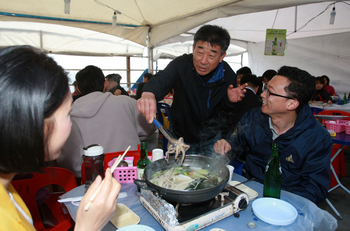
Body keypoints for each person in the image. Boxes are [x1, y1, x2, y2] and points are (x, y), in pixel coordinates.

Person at [0, 45, 121, 230]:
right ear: (31, 121)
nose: (71, 124)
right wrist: (86, 227)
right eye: (68, 113)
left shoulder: (7, 188)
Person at [214, 66, 333, 204]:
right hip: (251, 191)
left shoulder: (316, 137)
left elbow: (316, 188)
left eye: (270, 92)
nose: (262, 95)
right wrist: (228, 145)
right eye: (265, 88)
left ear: (291, 104)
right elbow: (236, 143)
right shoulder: (253, 117)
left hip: (288, 202)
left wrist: (277, 203)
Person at [137, 25, 247, 155]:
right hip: (181, 137)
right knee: (177, 173)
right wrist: (149, 93)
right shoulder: (182, 65)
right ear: (194, 48)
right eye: (200, 53)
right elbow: (163, 78)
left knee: (210, 173)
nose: (203, 61)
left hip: (211, 139)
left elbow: (227, 114)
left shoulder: (227, 75)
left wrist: (229, 101)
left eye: (211, 56)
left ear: (222, 56)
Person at [57, 65, 157, 178]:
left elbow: (71, 163)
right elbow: (150, 127)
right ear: (104, 83)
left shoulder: (70, 115)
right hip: (131, 171)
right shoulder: (126, 102)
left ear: (78, 88)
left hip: (95, 177)